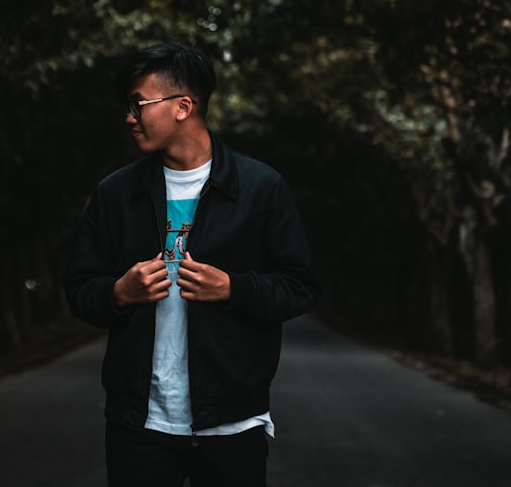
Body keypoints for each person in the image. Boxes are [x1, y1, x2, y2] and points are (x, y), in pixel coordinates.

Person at [63, 42, 319, 487]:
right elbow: (80, 290)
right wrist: (118, 293)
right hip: (138, 424)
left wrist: (234, 288)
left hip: (232, 423)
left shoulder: (261, 188)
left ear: (183, 106)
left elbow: (298, 286)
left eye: (138, 104)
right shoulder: (115, 193)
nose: (130, 117)